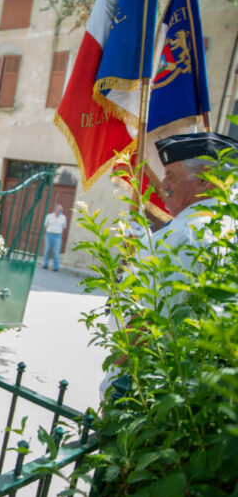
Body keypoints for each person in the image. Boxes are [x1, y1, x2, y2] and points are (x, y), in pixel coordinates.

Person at [99, 131, 238, 399]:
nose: (162, 185)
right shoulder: (226, 228)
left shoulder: (183, 236)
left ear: (206, 179)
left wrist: (115, 385)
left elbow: (147, 321)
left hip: (147, 383)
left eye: (170, 175)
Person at [42, 204, 67, 271]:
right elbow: (46, 225)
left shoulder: (63, 217)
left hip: (58, 236)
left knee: (56, 252)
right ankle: (45, 264)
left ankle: (55, 267)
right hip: (49, 234)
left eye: (61, 209)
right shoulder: (49, 216)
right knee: (47, 250)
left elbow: (64, 227)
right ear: (55, 209)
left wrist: (58, 232)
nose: (60, 211)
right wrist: (49, 231)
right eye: (59, 209)